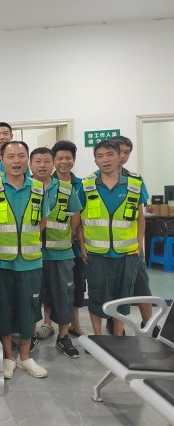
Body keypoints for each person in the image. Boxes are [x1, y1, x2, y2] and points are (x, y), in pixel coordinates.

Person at [0, 141, 49, 379]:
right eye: (11, 156)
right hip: (1, 262)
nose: (16, 161)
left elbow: (42, 221)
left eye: (21, 155)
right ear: (2, 159)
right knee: (5, 309)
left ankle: (25, 356)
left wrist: (25, 241)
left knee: (29, 310)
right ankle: (8, 357)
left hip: (31, 262)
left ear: (27, 159)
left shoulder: (38, 188)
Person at [78, 140, 145, 336]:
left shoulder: (135, 184)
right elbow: (78, 218)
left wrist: (139, 244)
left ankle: (118, 337)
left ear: (119, 158)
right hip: (96, 254)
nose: (105, 160)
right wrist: (82, 244)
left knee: (122, 298)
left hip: (127, 254)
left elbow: (140, 217)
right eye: (100, 156)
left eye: (110, 155)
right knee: (96, 296)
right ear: (95, 161)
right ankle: (98, 337)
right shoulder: (86, 185)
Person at [29, 147, 82, 358]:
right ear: (30, 164)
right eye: (37, 161)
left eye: (46, 161)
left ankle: (63, 337)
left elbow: (76, 215)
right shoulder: (25, 187)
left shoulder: (66, 189)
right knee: (32, 297)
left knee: (63, 296)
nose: (42, 165)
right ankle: (31, 335)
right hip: (31, 254)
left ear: (53, 164)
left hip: (61, 254)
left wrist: (68, 237)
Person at [110, 136, 159, 337]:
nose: (122, 156)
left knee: (141, 285)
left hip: (131, 247)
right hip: (106, 249)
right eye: (119, 151)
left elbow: (140, 215)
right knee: (112, 289)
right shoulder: (92, 180)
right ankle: (116, 327)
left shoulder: (135, 180)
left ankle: (149, 324)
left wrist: (139, 243)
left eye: (126, 152)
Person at [51, 140, 90, 337]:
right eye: (60, 158)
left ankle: (75, 323)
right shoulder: (43, 182)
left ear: (74, 160)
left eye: (68, 158)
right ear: (53, 160)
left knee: (75, 285)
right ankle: (47, 323)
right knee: (49, 286)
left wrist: (81, 244)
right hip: (50, 245)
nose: (64, 162)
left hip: (73, 245)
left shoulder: (81, 185)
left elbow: (81, 217)